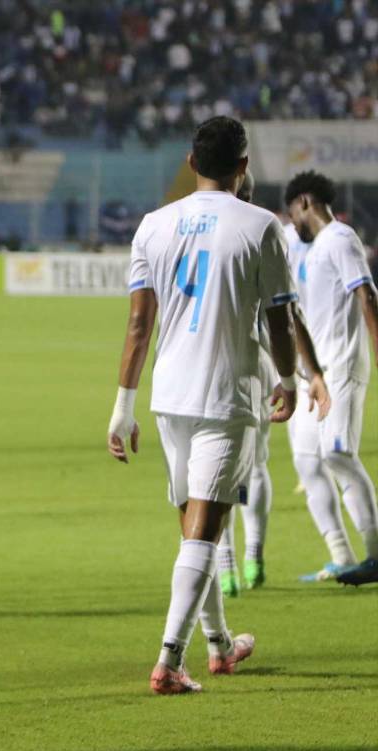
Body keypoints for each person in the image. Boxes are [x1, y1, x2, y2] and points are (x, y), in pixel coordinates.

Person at [106, 116, 328, 694]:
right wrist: (288, 379)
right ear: (244, 166)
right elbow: (280, 317)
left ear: (191, 162)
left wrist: (122, 406)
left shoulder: (153, 225)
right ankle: (169, 661)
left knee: (193, 528)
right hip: (227, 394)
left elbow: (138, 324)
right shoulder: (261, 226)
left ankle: (220, 645)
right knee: (205, 531)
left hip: (168, 395)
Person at [217, 171, 330, 596]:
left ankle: (226, 567)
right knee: (256, 463)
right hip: (260, 363)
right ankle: (254, 557)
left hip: (210, 364)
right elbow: (287, 312)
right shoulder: (266, 231)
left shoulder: (201, 229)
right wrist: (303, 373)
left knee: (213, 470)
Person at [284, 170, 378, 586]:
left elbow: (367, 294)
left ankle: (376, 552)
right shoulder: (305, 246)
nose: (293, 224)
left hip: (342, 365)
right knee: (308, 460)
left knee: (338, 454)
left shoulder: (340, 239)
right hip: (314, 374)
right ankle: (341, 554)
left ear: (304, 202)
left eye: (293, 214)